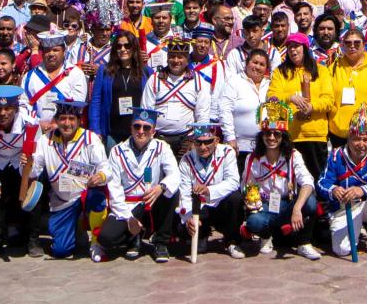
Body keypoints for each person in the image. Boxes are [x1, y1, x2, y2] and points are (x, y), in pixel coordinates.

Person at [27, 102, 109, 259]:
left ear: (79, 121)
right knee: (61, 251)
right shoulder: (45, 140)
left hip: (85, 195)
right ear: (56, 121)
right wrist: (27, 164)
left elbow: (106, 168)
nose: (67, 123)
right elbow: (34, 172)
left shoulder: (90, 139)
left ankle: (96, 242)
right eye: (62, 118)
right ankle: (75, 228)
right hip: (62, 201)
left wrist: (101, 176)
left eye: (71, 118)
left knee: (98, 198)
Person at [97, 108, 180, 263]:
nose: (141, 131)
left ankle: (160, 243)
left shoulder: (162, 148)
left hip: (152, 202)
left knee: (172, 191)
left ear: (153, 131)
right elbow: (114, 189)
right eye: (137, 126)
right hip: (128, 206)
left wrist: (160, 187)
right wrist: (129, 219)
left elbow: (175, 174)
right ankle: (133, 238)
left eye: (146, 127)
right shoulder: (117, 151)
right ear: (131, 128)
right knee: (106, 238)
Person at [0, 84, 39, 257]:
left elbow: (38, 151)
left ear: (16, 108)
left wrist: (31, 165)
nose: (3, 113)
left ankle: (32, 239)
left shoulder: (30, 122)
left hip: (21, 162)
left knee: (30, 196)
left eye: (8, 108)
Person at [240, 121, 321, 259]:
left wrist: (296, 208)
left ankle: (304, 243)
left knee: (310, 202)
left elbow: (307, 182)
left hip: (288, 204)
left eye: (276, 134)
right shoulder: (252, 158)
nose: (271, 138)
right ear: (261, 136)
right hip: (265, 205)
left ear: (283, 137)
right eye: (267, 133)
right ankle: (266, 236)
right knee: (254, 222)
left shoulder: (293, 155)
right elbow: (246, 186)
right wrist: (252, 202)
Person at [318, 123, 367, 261]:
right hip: (346, 207)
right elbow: (322, 183)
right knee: (341, 250)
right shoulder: (336, 156)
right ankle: (356, 230)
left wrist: (362, 190)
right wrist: (333, 190)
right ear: (348, 139)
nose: (361, 144)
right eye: (356, 139)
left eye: (365, 140)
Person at [177, 123, 244, 258]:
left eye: (208, 142)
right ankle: (201, 235)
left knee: (236, 199)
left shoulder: (227, 153)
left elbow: (233, 182)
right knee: (181, 227)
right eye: (198, 143)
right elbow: (183, 192)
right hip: (199, 208)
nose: (203, 147)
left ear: (217, 140)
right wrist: (189, 217)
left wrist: (209, 190)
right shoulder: (186, 159)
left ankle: (231, 241)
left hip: (220, 204)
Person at [270, 34, 332, 175]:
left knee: (318, 178)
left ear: (305, 48)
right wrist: (290, 97)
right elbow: (271, 96)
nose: (293, 50)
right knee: (293, 180)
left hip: (315, 135)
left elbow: (329, 100)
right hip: (290, 135)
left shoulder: (321, 71)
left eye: (296, 46)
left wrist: (312, 106)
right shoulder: (280, 72)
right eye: (290, 47)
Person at [146, 42, 210, 156]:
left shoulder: (198, 80)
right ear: (167, 58)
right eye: (172, 56)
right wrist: (149, 140)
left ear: (187, 59)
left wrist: (197, 141)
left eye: (180, 57)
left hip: (187, 140)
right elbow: (146, 111)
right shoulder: (154, 79)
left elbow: (202, 114)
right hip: (159, 140)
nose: (176, 60)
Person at [325, 25, 367, 152]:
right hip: (338, 133)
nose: (352, 46)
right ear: (343, 45)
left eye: (357, 43)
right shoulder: (333, 68)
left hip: (364, 135)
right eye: (348, 43)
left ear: (364, 45)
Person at [213, 49, 273, 163]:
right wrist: (230, 138)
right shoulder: (234, 82)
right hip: (240, 147)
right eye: (254, 62)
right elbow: (225, 111)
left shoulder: (270, 85)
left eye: (262, 64)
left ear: (266, 68)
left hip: (266, 146)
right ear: (247, 63)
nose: (257, 67)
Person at [22, 31, 88, 128]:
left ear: (64, 51)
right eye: (47, 50)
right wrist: (36, 123)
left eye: (56, 50)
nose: (51, 54)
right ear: (42, 52)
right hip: (37, 130)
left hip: (66, 130)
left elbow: (79, 103)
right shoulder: (30, 76)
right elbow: (23, 105)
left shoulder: (75, 74)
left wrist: (58, 124)